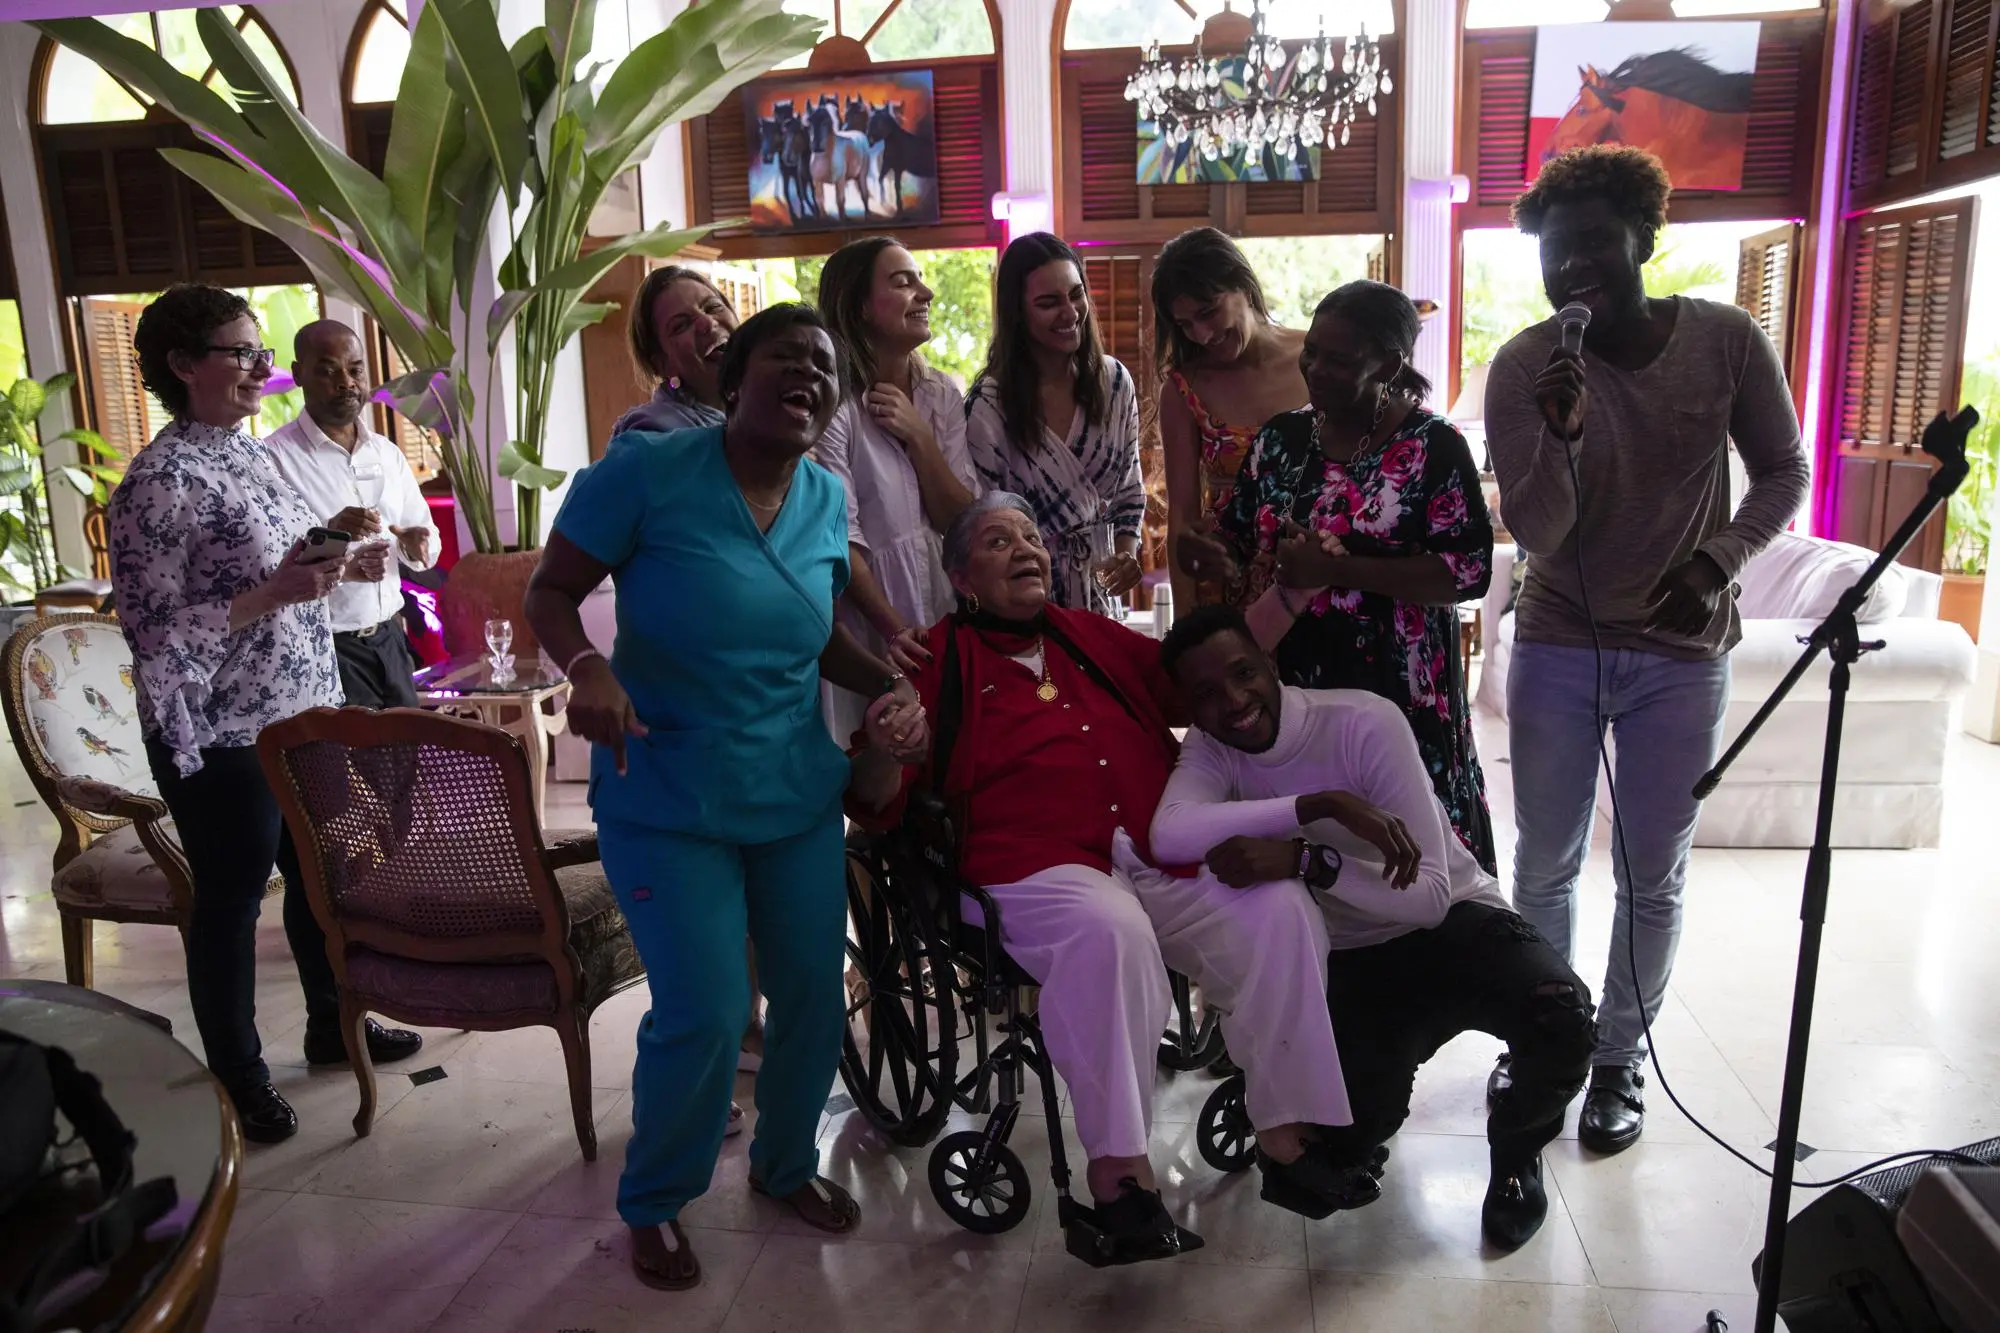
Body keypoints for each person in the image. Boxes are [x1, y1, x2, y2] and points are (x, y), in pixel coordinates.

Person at [850, 492, 1399, 1262]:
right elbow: (877, 797)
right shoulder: (933, 657)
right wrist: (886, 741)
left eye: (1032, 537)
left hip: (1155, 853)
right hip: (1032, 870)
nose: (1026, 549)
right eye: (999, 540)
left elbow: (1210, 674)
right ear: (959, 573)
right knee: (1111, 931)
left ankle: (1286, 1136)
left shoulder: (1089, 636)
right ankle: (1120, 1181)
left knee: (1279, 907)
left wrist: (1291, 596)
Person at [523, 304, 928, 1293]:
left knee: (809, 1001)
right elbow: (548, 589)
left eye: (823, 369)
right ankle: (656, 1199)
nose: (808, 378)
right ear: (731, 375)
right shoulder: (644, 473)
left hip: (791, 789)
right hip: (664, 791)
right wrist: (585, 665)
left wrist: (884, 681)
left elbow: (811, 629)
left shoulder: (825, 496)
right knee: (704, 1012)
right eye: (786, 359)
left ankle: (785, 1165)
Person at [1485, 146, 1809, 1153]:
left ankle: (1619, 1055)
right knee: (1543, 862)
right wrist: (1562, 433)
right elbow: (1537, 535)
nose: (1570, 265)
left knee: (1650, 870)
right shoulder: (1519, 365)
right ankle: (1547, 1035)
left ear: (1644, 241)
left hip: (1678, 649)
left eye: (1591, 242)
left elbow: (1781, 471)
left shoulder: (1723, 340)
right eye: (1552, 250)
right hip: (1555, 643)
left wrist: (1716, 562)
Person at [1150, 605, 1596, 1250]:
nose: (1235, 701)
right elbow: (1169, 832)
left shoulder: (1361, 722)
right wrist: (1317, 808)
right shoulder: (1212, 751)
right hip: (1352, 957)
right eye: (1206, 694)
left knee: (1563, 1019)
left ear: (1270, 663)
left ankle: (1517, 1153)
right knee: (1331, 1158)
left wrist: (1308, 859)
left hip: (1454, 924)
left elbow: (1429, 899)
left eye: (1244, 674)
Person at [110, 285, 423, 1145]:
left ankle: (333, 1026)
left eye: (260, 353)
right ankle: (238, 1075)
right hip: (219, 730)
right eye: (242, 352)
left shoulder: (246, 457)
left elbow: (266, 576)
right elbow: (157, 635)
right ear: (183, 365)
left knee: (323, 880)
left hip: (301, 709)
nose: (262, 369)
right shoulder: (158, 483)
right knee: (233, 900)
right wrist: (276, 590)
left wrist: (327, 571)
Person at [1177, 281, 1498, 873]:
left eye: (1341, 359)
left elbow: (1467, 572)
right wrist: (1211, 549)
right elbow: (1238, 531)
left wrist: (1337, 570)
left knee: (1413, 858)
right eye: (1313, 352)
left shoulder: (1434, 447)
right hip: (1302, 693)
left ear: (1390, 363)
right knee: (1324, 854)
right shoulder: (1282, 439)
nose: (1317, 370)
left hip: (1403, 693)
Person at [607, 263, 764, 1130]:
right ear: (661, 356)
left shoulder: (770, 415)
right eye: (679, 324)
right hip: (689, 708)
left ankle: (742, 1033)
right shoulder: (649, 439)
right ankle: (686, 1094)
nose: (705, 325)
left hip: (770, 696)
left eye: (711, 308)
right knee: (702, 910)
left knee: (752, 882)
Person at [813, 236, 979, 738]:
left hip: (946, 604)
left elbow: (961, 519)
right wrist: (892, 629)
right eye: (903, 281)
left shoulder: (941, 393)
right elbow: (844, 538)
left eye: (920, 279)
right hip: (870, 619)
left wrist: (919, 436)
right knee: (880, 765)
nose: (925, 293)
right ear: (859, 306)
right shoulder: (834, 406)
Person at [963, 232, 1145, 615]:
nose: (1070, 313)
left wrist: (1125, 557)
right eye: (1048, 303)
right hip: (1025, 610)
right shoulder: (990, 407)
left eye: (1076, 295)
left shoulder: (1114, 382)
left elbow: (1129, 492)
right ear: (1017, 313)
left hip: (1101, 606)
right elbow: (985, 529)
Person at [266, 319, 433, 709]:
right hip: (325, 645)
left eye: (355, 370)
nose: (346, 382)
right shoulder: (273, 458)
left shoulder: (387, 454)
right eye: (327, 371)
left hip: (391, 639)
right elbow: (267, 561)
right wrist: (329, 532)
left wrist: (415, 543)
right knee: (348, 767)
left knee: (404, 763)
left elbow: (422, 537)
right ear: (298, 374)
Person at [1152, 226, 1309, 610]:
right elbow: (1183, 518)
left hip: (1316, 578)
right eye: (1186, 325)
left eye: (1208, 312)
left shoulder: (1314, 357)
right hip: (1227, 588)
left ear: (1244, 285)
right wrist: (1188, 628)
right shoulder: (1183, 389)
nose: (1202, 335)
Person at [610, 265, 738, 439]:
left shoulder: (768, 402)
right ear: (662, 364)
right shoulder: (652, 436)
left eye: (713, 307)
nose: (707, 322)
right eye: (681, 325)